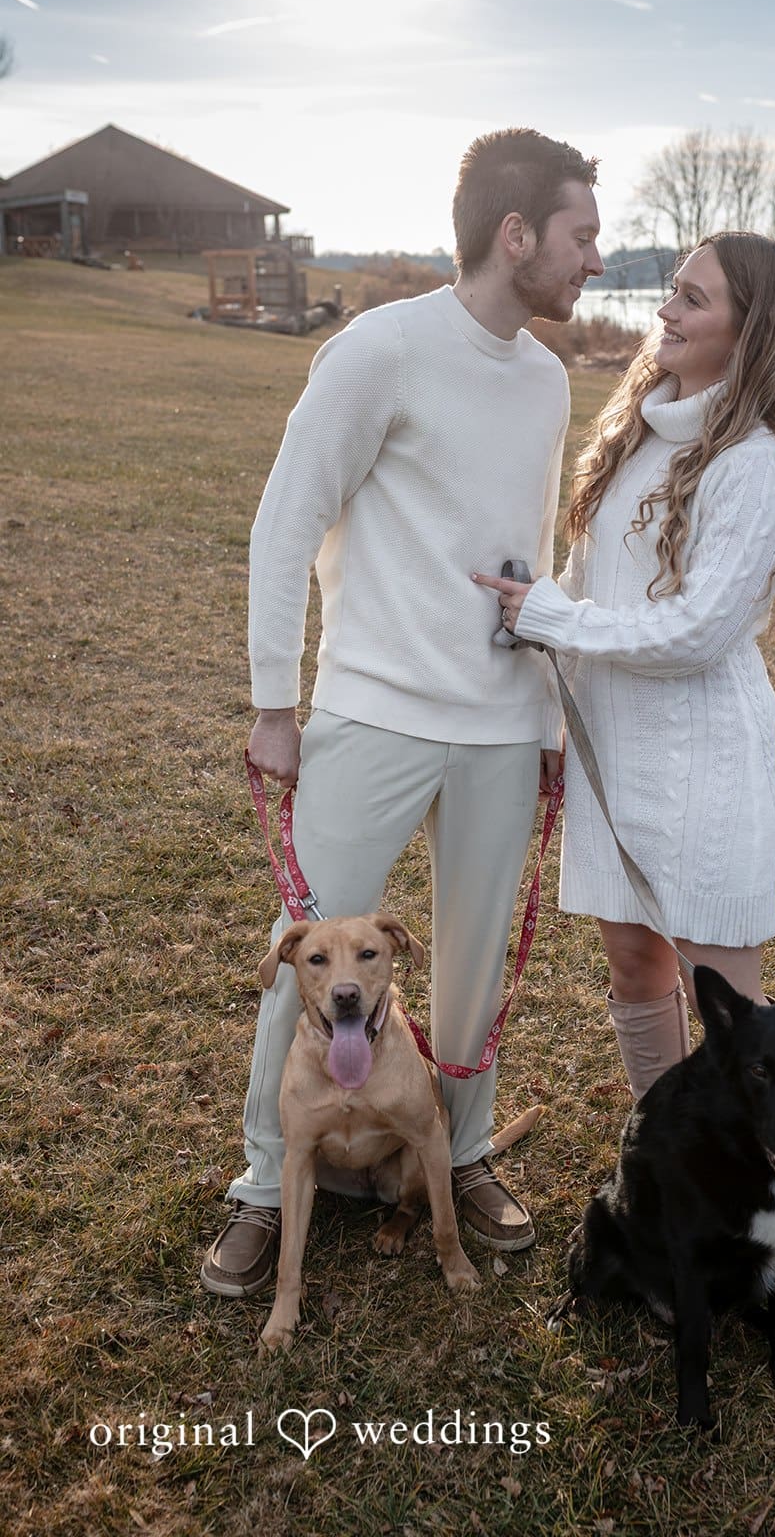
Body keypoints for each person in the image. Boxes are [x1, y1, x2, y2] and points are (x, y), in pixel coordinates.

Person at [201, 128, 603, 1297]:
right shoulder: (376, 350)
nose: (594, 257)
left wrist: (545, 721)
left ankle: (460, 1151)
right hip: (369, 713)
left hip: (497, 725)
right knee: (309, 961)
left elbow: (525, 564)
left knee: (468, 973)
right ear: (515, 234)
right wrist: (276, 701)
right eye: (580, 235)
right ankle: (267, 1187)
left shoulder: (545, 378)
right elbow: (286, 522)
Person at [475, 231, 775, 1285]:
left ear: (750, 326)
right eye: (671, 290)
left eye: (692, 297)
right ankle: (676, 1167)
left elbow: (693, 631)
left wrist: (545, 615)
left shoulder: (753, 461)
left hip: (703, 760)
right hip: (613, 746)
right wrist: (558, 730)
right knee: (634, 967)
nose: (665, 309)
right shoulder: (639, 423)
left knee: (733, 1014)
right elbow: (599, 599)